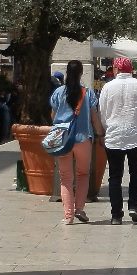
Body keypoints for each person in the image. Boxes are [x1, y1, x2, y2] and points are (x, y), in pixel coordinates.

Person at [100, 57, 137, 224]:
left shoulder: (107, 87)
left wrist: (107, 128)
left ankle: (116, 215)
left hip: (113, 136)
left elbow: (102, 112)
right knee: (136, 173)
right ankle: (134, 206)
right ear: (131, 70)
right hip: (135, 136)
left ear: (116, 70)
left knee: (114, 176)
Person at [49, 59, 103, 224]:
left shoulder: (58, 92)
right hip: (83, 139)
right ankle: (79, 208)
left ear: (67, 72)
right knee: (83, 174)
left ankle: (68, 215)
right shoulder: (88, 93)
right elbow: (94, 118)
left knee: (65, 177)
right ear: (81, 73)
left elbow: (53, 116)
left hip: (63, 139)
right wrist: (100, 134)